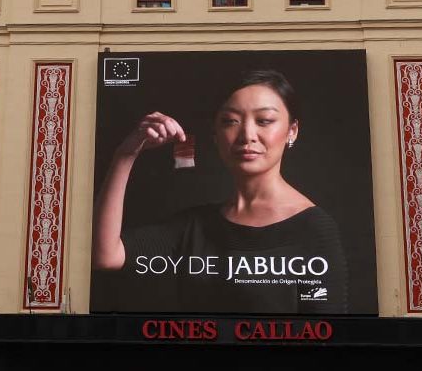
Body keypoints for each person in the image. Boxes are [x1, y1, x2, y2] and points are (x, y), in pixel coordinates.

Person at [92, 69, 348, 313]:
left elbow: (327, 334)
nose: (247, 134)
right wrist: (126, 154)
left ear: (292, 130)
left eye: (264, 121)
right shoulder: (195, 226)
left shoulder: (313, 228)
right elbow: (105, 255)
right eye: (230, 121)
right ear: (215, 134)